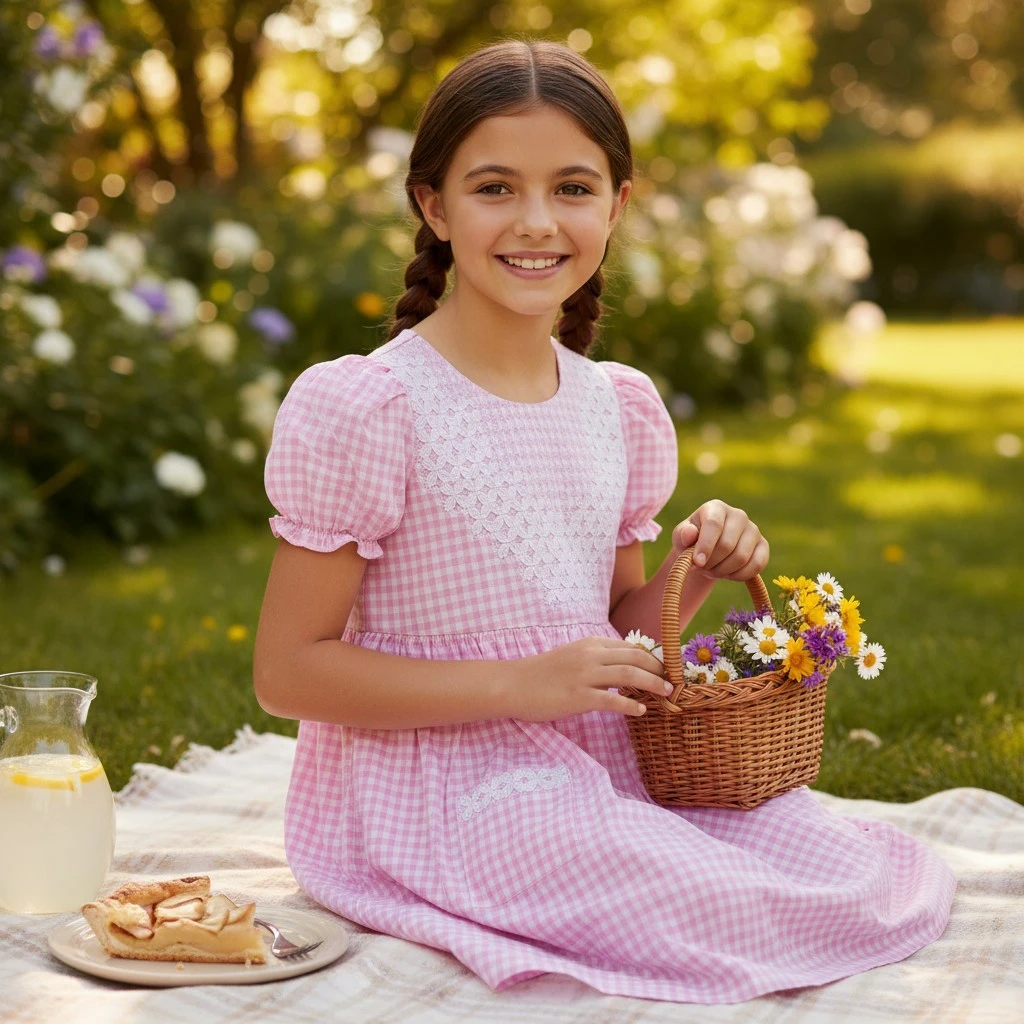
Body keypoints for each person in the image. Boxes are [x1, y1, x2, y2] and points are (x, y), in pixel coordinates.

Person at [254, 38, 955, 1004]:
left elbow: (614, 634)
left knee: (819, 858)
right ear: (434, 205)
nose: (537, 222)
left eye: (573, 189)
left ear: (617, 205)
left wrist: (694, 572)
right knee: (692, 894)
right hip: (437, 790)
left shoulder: (613, 405)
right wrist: (517, 686)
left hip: (596, 755)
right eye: (495, 187)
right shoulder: (370, 409)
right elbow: (287, 673)